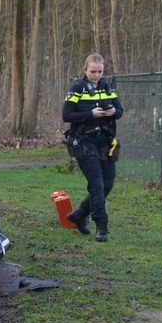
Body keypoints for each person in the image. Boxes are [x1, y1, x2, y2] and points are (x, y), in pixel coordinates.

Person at [62, 53, 124, 242]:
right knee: (96, 184)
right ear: (85, 70)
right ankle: (101, 225)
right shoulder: (78, 88)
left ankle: (79, 214)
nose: (96, 75)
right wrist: (90, 114)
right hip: (84, 141)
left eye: (100, 71)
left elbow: (120, 111)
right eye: (93, 72)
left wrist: (114, 111)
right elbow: (67, 115)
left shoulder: (108, 86)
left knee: (108, 184)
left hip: (105, 142)